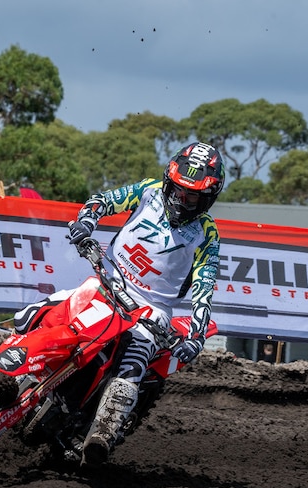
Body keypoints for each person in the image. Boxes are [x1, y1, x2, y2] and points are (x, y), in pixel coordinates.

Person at [64, 141, 225, 466]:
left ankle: (101, 436)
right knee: (55, 313)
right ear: (168, 181)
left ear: (207, 198)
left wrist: (196, 336)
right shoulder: (149, 191)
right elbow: (104, 201)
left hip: (152, 308)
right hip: (108, 280)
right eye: (177, 190)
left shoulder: (206, 234)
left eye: (191, 196)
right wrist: (86, 222)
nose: (181, 199)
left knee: (134, 362)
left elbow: (204, 287)